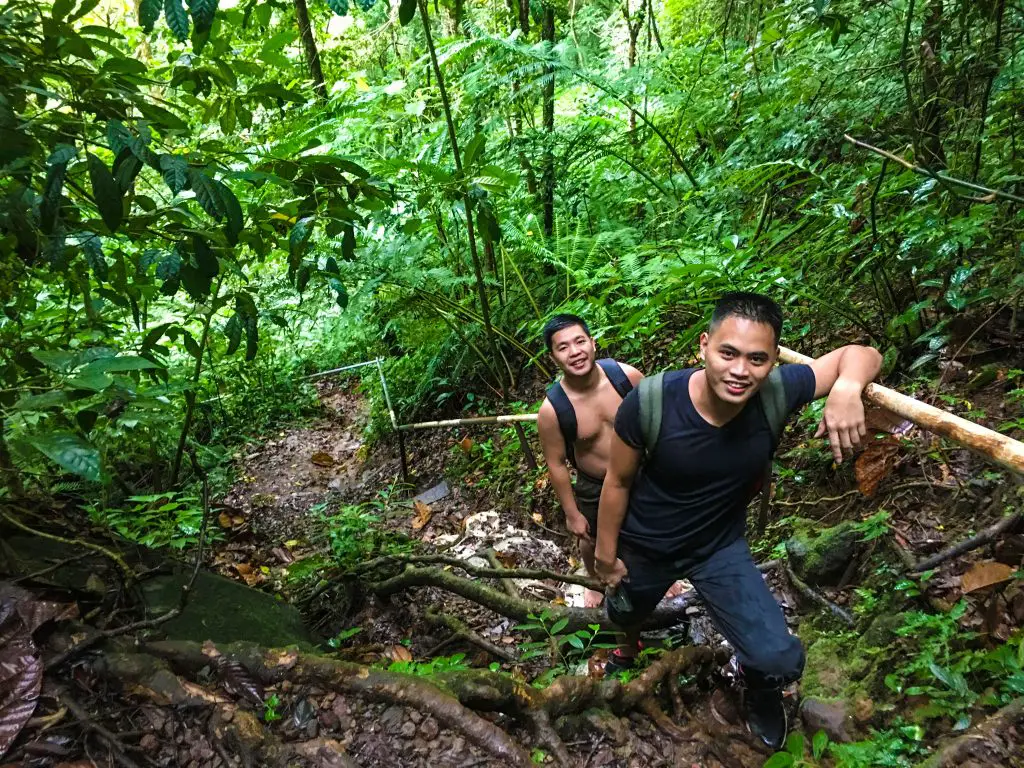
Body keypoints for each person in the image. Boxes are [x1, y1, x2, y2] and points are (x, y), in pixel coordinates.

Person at [594, 292, 882, 750]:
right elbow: (618, 482)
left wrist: (846, 388)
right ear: (704, 346)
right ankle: (628, 646)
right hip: (648, 543)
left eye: (757, 358)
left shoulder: (778, 392)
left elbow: (860, 355)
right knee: (624, 610)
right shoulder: (650, 402)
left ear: (772, 362)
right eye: (727, 353)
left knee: (780, 659)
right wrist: (605, 556)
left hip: (718, 548)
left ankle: (757, 682)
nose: (740, 370)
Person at [537, 314, 642, 608]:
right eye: (563, 347)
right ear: (553, 357)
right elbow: (556, 463)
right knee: (590, 537)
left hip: (640, 471)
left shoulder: (626, 377)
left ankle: (662, 574)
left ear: (593, 343)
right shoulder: (553, 410)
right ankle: (594, 578)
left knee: (652, 523)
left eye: (580, 341)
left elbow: (655, 419)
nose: (575, 351)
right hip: (595, 483)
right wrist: (571, 513)